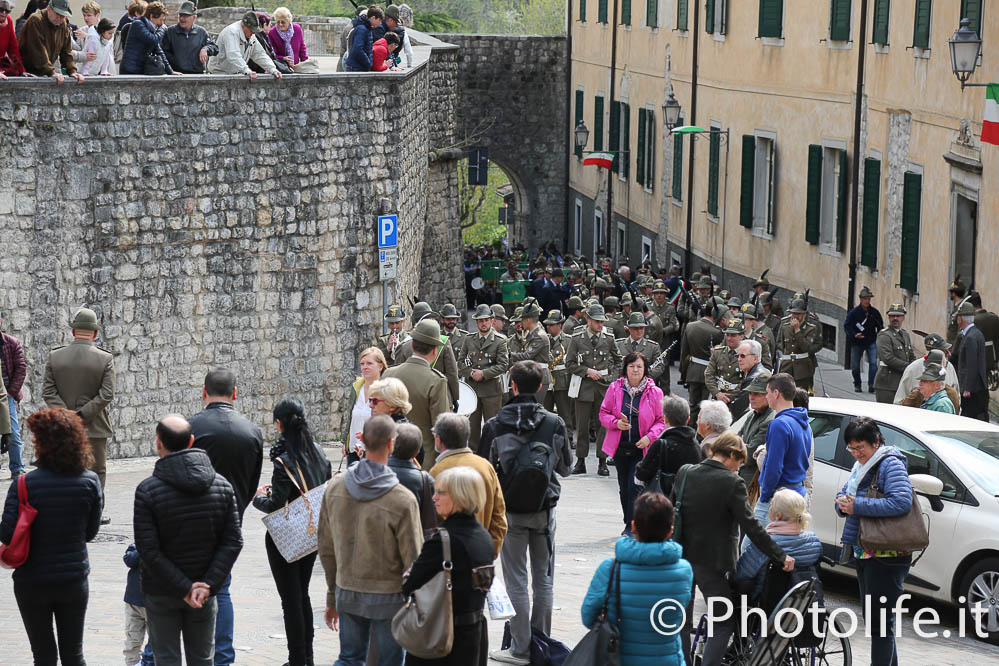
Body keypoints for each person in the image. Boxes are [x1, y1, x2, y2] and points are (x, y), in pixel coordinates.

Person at [671, 432, 794, 666]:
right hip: (711, 562)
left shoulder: (685, 472)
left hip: (681, 557)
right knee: (723, 621)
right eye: (739, 462)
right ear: (731, 455)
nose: (738, 468)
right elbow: (752, 526)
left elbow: (672, 512)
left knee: (682, 622)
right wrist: (779, 554)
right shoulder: (731, 482)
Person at [133, 415, 242, 666]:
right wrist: (206, 585)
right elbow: (233, 542)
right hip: (204, 592)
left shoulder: (148, 490)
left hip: (162, 591)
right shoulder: (222, 486)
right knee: (203, 659)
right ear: (192, 441)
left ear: (158, 442)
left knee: (166, 660)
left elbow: (148, 550)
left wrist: (184, 588)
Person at [483, 361, 571, 665]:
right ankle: (540, 642)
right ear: (541, 386)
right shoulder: (554, 422)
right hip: (545, 509)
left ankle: (520, 649)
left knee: (516, 580)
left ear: (513, 385)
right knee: (544, 580)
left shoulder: (494, 425)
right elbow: (566, 467)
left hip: (509, 511)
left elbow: (485, 471)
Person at [317, 414, 422, 666]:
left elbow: (326, 548)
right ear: (391, 444)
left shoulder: (334, 488)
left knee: (349, 658)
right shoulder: (402, 499)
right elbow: (414, 558)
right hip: (389, 596)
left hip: (348, 589)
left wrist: (332, 596)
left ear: (362, 440)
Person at [1, 408, 102, 666]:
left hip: (32, 581)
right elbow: (90, 533)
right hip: (73, 579)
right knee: (74, 654)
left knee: (43, 655)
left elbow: (8, 533)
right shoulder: (90, 481)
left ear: (41, 444)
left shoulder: (24, 484)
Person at [188, 367, 264, 666]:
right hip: (231, 519)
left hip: (193, 519)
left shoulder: (191, 428)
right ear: (235, 394)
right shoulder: (252, 431)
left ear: (204, 392)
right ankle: (223, 657)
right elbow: (253, 482)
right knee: (223, 588)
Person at [252, 399, 332, 666]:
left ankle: (297, 659)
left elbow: (276, 505)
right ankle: (307, 657)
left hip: (287, 538)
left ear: (279, 424)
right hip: (312, 533)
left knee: (291, 601)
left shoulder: (284, 460)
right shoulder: (319, 452)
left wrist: (258, 498)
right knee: (303, 594)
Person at [835, 417, 914, 666]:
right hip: (864, 550)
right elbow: (848, 492)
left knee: (881, 624)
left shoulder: (890, 464)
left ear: (876, 441)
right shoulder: (860, 467)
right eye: (852, 448)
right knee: (877, 621)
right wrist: (842, 502)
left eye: (861, 448)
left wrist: (856, 505)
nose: (856, 453)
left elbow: (901, 501)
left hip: (887, 555)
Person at [581, 493, 692, 666]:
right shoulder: (684, 571)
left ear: (633, 527)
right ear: (670, 531)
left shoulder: (610, 569)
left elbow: (588, 617)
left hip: (618, 659)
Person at [402, 466, 495, 665]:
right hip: (472, 636)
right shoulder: (484, 537)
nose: (434, 497)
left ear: (460, 496)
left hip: (440, 638)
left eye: (440, 492)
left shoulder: (444, 540)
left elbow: (410, 584)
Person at [42, 307, 115, 523]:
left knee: (62, 467)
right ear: (95, 333)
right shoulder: (105, 358)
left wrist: (67, 414)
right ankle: (94, 512)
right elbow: (107, 394)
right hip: (95, 425)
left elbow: (48, 391)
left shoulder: (56, 356)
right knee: (97, 470)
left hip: (62, 425)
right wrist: (83, 414)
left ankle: (63, 509)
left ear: (73, 332)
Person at [599, 352, 667, 534]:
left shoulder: (655, 392)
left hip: (642, 450)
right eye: (632, 366)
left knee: (635, 487)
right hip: (620, 449)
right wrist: (616, 423)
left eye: (639, 366)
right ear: (625, 369)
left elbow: (661, 421)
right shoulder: (614, 388)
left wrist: (650, 437)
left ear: (645, 370)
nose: (635, 370)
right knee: (624, 489)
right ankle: (627, 519)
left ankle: (631, 526)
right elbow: (603, 413)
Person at [430, 412, 507, 557]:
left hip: (450, 556)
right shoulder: (485, 466)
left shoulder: (437, 472)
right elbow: (499, 515)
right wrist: (491, 550)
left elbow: (432, 519)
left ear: (439, 439)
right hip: (481, 552)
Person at [383, 318, 451, 469]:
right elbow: (441, 429)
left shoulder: (388, 374)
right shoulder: (436, 381)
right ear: (435, 350)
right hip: (423, 462)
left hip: (388, 459)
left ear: (412, 345)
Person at [735, 488, 822, 602]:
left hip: (764, 603)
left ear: (778, 515)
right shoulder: (813, 541)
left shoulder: (766, 543)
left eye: (771, 504)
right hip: (799, 604)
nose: (769, 507)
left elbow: (740, 574)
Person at [566, 303, 621, 476]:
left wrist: (612, 377)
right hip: (584, 386)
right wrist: (586, 371)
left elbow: (619, 360)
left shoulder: (609, 338)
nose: (600, 325)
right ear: (588, 319)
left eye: (602, 322)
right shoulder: (577, 338)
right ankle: (580, 461)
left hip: (603, 388)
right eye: (596, 321)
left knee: (602, 426)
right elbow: (569, 363)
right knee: (581, 426)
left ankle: (602, 461)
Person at [753, 373, 811, 525]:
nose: (766, 397)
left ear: (776, 393)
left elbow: (774, 467)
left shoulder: (779, 424)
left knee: (750, 546)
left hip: (778, 498)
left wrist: (765, 498)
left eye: (767, 392)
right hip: (797, 494)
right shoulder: (803, 422)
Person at [457, 304, 510, 455]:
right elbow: (460, 362)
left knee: (491, 425)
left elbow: (503, 365)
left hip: (492, 390)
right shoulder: (469, 339)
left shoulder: (500, 341)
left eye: (486, 320)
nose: (483, 323)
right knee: (472, 427)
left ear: (492, 320)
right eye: (480, 321)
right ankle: (473, 454)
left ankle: (493, 455)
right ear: (477, 322)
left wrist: (484, 374)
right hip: (472, 390)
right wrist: (470, 373)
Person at [634, 394, 701, 496]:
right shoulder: (696, 446)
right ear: (688, 419)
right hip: (687, 503)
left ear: (665, 419)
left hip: (662, 502)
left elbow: (639, 477)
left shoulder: (661, 445)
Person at [341, 346, 387, 465]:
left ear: (380, 366)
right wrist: (345, 441)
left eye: (369, 363)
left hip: (374, 451)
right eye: (362, 364)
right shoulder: (356, 388)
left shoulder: (386, 390)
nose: (364, 367)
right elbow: (350, 417)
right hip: (353, 450)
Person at [18, 0, 84, 82]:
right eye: (57, 14)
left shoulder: (63, 24)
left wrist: (72, 71)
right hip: (27, 72)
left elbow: (66, 51)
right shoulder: (36, 20)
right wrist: (51, 72)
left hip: (43, 72)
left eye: (63, 16)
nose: (59, 18)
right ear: (49, 9)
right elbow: (38, 50)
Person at [389, 422, 437, 535]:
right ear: (417, 451)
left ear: (391, 445)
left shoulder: (377, 472)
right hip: (413, 537)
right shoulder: (425, 480)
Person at [679, 304, 723, 425]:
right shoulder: (717, 332)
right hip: (709, 373)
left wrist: (683, 372)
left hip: (692, 370)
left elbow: (684, 352)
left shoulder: (690, 326)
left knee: (693, 405)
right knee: (705, 406)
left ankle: (690, 429)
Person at [208, 11, 282, 80]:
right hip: (219, 73)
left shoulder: (250, 35)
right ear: (243, 25)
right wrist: (247, 70)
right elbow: (233, 55)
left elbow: (259, 54)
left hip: (234, 73)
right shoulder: (232, 32)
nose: (253, 32)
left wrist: (272, 69)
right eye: (251, 30)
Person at [735, 372, 774, 502]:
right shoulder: (752, 414)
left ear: (769, 395)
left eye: (757, 393)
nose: (751, 397)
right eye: (750, 393)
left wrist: (739, 444)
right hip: (742, 478)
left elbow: (751, 454)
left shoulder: (769, 419)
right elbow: (736, 438)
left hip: (754, 484)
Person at [506, 301, 552, 404]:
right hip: (534, 375)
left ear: (528, 320)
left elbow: (527, 355)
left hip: (539, 376)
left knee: (535, 409)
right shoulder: (533, 335)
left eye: (522, 320)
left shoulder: (538, 336)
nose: (520, 323)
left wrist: (509, 355)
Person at [893, 334, 959, 403]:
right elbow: (899, 401)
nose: (949, 354)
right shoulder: (913, 369)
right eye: (945, 351)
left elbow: (957, 398)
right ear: (934, 352)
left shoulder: (950, 368)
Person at [776, 298, 823, 393]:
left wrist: (797, 330)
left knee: (800, 395)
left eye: (798, 314)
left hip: (802, 369)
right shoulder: (785, 325)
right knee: (785, 394)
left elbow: (806, 347)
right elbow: (780, 342)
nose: (795, 316)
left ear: (804, 314)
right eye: (793, 313)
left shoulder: (811, 328)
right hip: (787, 366)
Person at [872, 302, 916, 404]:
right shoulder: (884, 335)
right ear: (888, 317)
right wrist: (909, 367)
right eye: (892, 316)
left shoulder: (905, 335)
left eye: (898, 316)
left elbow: (911, 354)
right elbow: (888, 358)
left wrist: (914, 366)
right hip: (887, 384)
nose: (895, 318)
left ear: (903, 317)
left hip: (902, 382)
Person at [0, 311, 26, 478]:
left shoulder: (11, 343)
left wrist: (10, 392)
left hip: (6, 395)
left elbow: (21, 369)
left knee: (13, 432)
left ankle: (17, 468)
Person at [844, 286, 883, 393]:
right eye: (865, 298)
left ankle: (871, 385)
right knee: (855, 366)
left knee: (873, 364)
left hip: (871, 341)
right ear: (860, 299)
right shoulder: (854, 313)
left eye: (868, 299)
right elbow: (847, 326)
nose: (867, 301)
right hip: (857, 342)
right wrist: (854, 334)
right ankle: (857, 384)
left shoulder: (874, 312)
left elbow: (880, 325)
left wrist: (878, 337)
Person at [120, 1, 177, 75]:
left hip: (141, 69)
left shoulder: (150, 28)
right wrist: (162, 28)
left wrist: (170, 71)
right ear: (151, 16)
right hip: (130, 69)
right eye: (161, 20)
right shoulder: (138, 24)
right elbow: (153, 40)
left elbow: (159, 51)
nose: (162, 23)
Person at [954, 301, 989, 421]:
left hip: (972, 390)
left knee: (969, 420)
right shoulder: (976, 333)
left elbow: (971, 364)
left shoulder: (970, 337)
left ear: (960, 319)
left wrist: (967, 388)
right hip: (978, 387)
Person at [161, 2, 217, 74]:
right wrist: (175, 62)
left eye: (185, 16)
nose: (181, 18)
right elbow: (163, 52)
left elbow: (215, 48)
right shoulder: (170, 31)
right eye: (180, 15)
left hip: (197, 75)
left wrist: (205, 49)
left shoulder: (201, 32)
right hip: (176, 75)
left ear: (194, 17)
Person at [123, 543, 156, 666]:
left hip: (155, 604)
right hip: (133, 602)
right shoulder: (136, 545)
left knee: (155, 642)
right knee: (132, 640)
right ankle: (132, 663)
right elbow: (129, 560)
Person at [615, 312, 665, 385]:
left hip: (645, 386)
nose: (639, 331)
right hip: (622, 385)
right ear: (629, 328)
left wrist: (644, 375)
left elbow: (659, 367)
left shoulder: (653, 347)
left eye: (641, 328)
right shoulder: (618, 344)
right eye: (635, 328)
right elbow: (611, 364)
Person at [268, 7, 316, 73]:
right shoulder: (272, 32)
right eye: (278, 22)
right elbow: (272, 54)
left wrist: (305, 63)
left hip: (296, 66)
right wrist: (283, 58)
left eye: (283, 22)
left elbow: (302, 48)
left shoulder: (297, 29)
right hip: (281, 67)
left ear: (289, 21)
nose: (280, 24)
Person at [343, 4, 382, 72]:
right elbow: (358, 49)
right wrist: (368, 63)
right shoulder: (362, 29)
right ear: (373, 18)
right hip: (356, 67)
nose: (380, 23)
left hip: (359, 66)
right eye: (379, 20)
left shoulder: (366, 28)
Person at [0, 0, 28, 78]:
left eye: (7, 10)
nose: (4, 13)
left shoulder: (9, 21)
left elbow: (13, 49)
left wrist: (22, 70)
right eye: (1, 9)